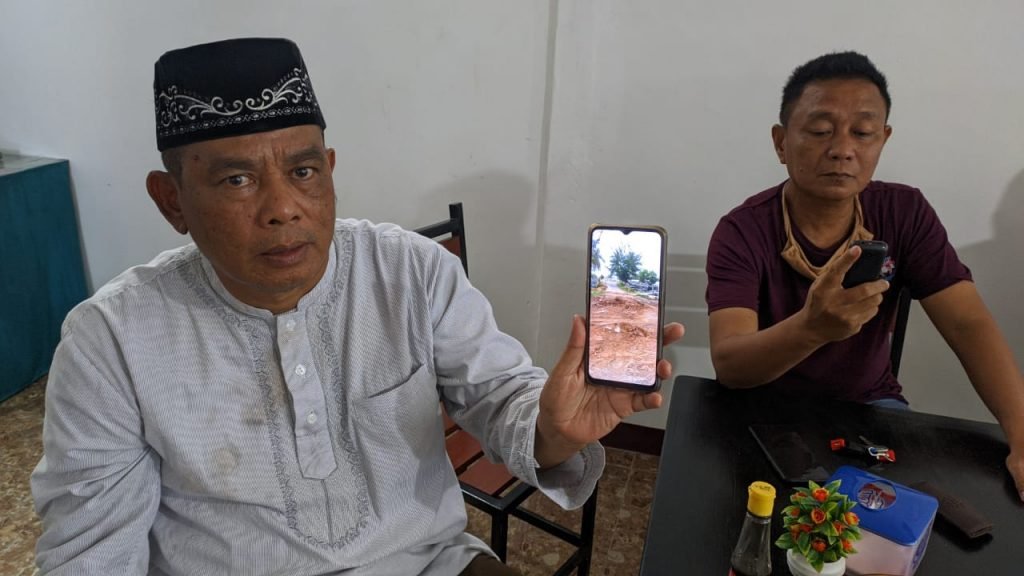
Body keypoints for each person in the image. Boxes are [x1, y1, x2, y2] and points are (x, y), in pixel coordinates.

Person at [31, 38, 684, 575]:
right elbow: (90, 550)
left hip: (426, 564)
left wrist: (555, 430)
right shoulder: (111, 340)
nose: (282, 208)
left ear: (330, 170)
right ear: (171, 200)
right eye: (237, 179)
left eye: (303, 171)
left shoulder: (410, 272)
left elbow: (500, 396)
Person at [705, 51, 1024, 500]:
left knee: (897, 524)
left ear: (883, 139)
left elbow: (966, 322)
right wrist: (812, 328)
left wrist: (1021, 434)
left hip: (870, 407)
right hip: (763, 408)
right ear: (781, 142)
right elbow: (731, 366)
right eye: (820, 131)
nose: (842, 149)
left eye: (863, 132)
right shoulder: (743, 230)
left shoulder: (904, 213)